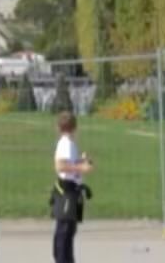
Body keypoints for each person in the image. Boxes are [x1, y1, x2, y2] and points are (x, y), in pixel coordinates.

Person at [52, 111, 92, 263]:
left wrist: (81, 161)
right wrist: (81, 168)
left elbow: (68, 164)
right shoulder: (66, 144)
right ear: (75, 127)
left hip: (72, 190)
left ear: (58, 127)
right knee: (65, 233)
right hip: (67, 191)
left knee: (68, 232)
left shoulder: (69, 144)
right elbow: (60, 166)